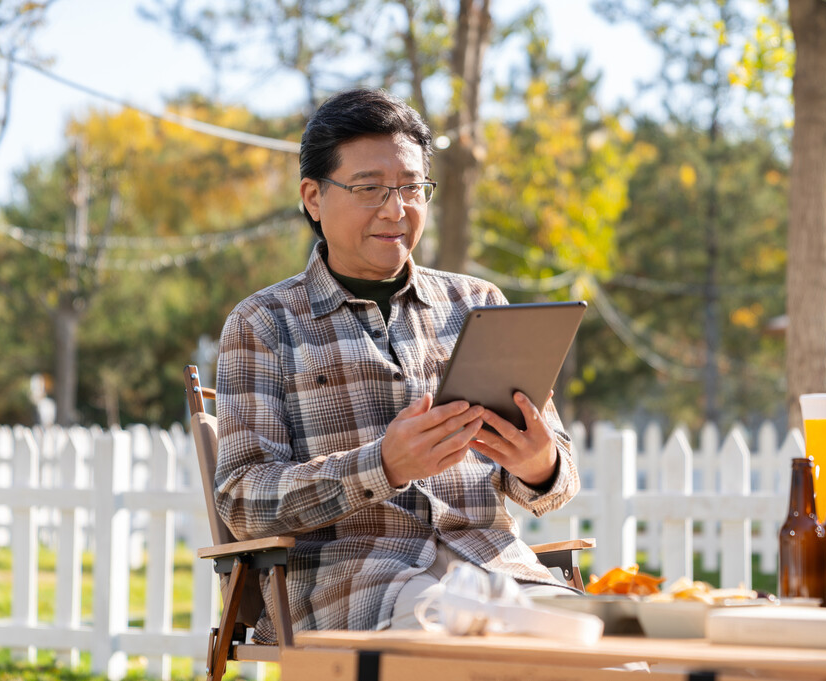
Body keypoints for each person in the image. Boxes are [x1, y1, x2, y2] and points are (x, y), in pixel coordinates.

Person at [214, 87, 580, 640]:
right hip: (353, 583)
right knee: (467, 643)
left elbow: (557, 487)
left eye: (412, 187)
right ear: (313, 197)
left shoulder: (477, 304)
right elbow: (242, 500)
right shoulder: (263, 323)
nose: (396, 208)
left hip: (496, 571)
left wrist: (539, 461)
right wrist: (381, 466)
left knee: (611, 648)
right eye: (369, 188)